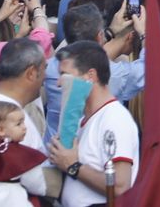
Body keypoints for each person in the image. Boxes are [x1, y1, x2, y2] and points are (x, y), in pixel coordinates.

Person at [46, 40, 139, 205]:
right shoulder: (85, 119)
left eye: (65, 75)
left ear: (90, 76)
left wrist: (73, 166)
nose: (59, 83)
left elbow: (120, 185)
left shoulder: (114, 118)